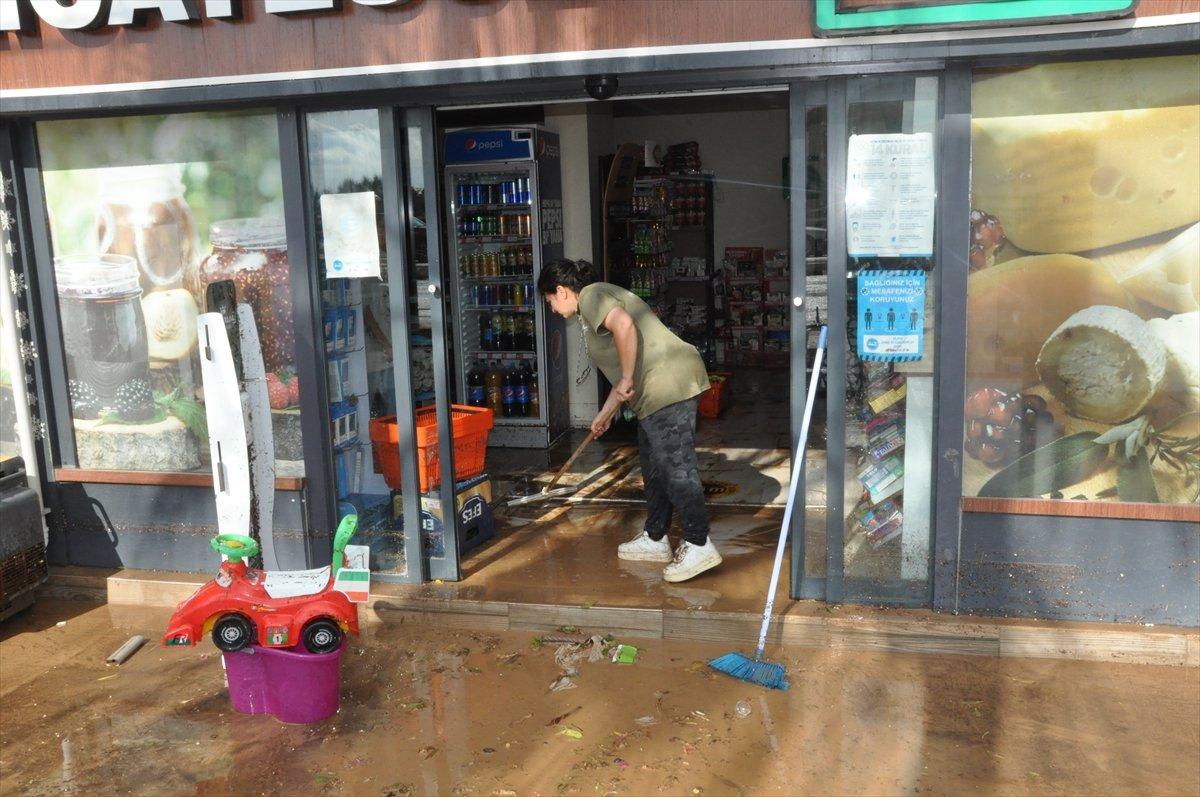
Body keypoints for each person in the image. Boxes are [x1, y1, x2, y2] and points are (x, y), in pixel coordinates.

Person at [538, 259, 721, 583]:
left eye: (550, 300)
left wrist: (624, 378)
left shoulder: (592, 295)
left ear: (562, 291)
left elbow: (624, 326)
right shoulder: (590, 308)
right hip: (653, 393)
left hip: (668, 384)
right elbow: (623, 373)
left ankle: (698, 542)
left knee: (674, 465)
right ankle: (655, 537)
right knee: (653, 467)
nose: (552, 309)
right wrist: (604, 415)